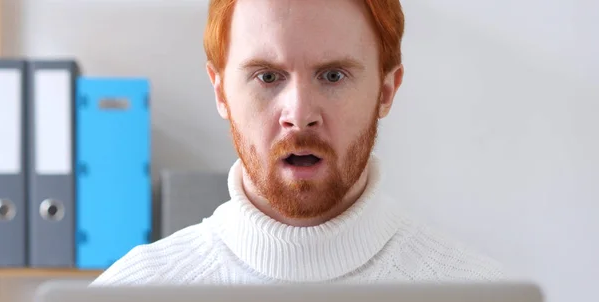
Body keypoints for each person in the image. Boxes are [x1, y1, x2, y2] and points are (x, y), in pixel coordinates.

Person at [90, 0, 505, 286]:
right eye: (268, 77)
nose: (300, 113)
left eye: (333, 76)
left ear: (386, 91)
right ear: (220, 93)